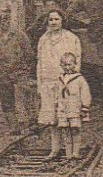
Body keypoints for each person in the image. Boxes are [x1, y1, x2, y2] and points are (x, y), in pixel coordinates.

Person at [35, 9, 82, 158]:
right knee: (52, 120)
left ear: (62, 21)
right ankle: (55, 149)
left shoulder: (70, 38)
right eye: (51, 20)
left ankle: (71, 151)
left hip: (65, 84)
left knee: (67, 117)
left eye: (56, 19)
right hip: (48, 83)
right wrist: (39, 83)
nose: (53, 22)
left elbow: (77, 61)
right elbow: (39, 62)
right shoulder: (43, 39)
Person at [0, 7, 33, 128]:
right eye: (1, 21)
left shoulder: (20, 36)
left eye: (6, 20)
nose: (4, 23)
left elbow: (29, 54)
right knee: (6, 99)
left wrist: (25, 69)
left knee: (26, 94)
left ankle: (32, 122)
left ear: (10, 20)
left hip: (20, 72)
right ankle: (13, 125)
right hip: (3, 74)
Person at [53, 50, 92, 160]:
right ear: (61, 65)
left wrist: (85, 107)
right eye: (64, 65)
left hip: (75, 109)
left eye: (69, 64)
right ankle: (68, 153)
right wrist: (56, 105)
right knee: (65, 131)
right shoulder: (60, 79)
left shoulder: (79, 79)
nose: (67, 67)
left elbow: (85, 94)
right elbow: (57, 93)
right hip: (63, 110)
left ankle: (76, 152)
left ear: (75, 64)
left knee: (75, 130)